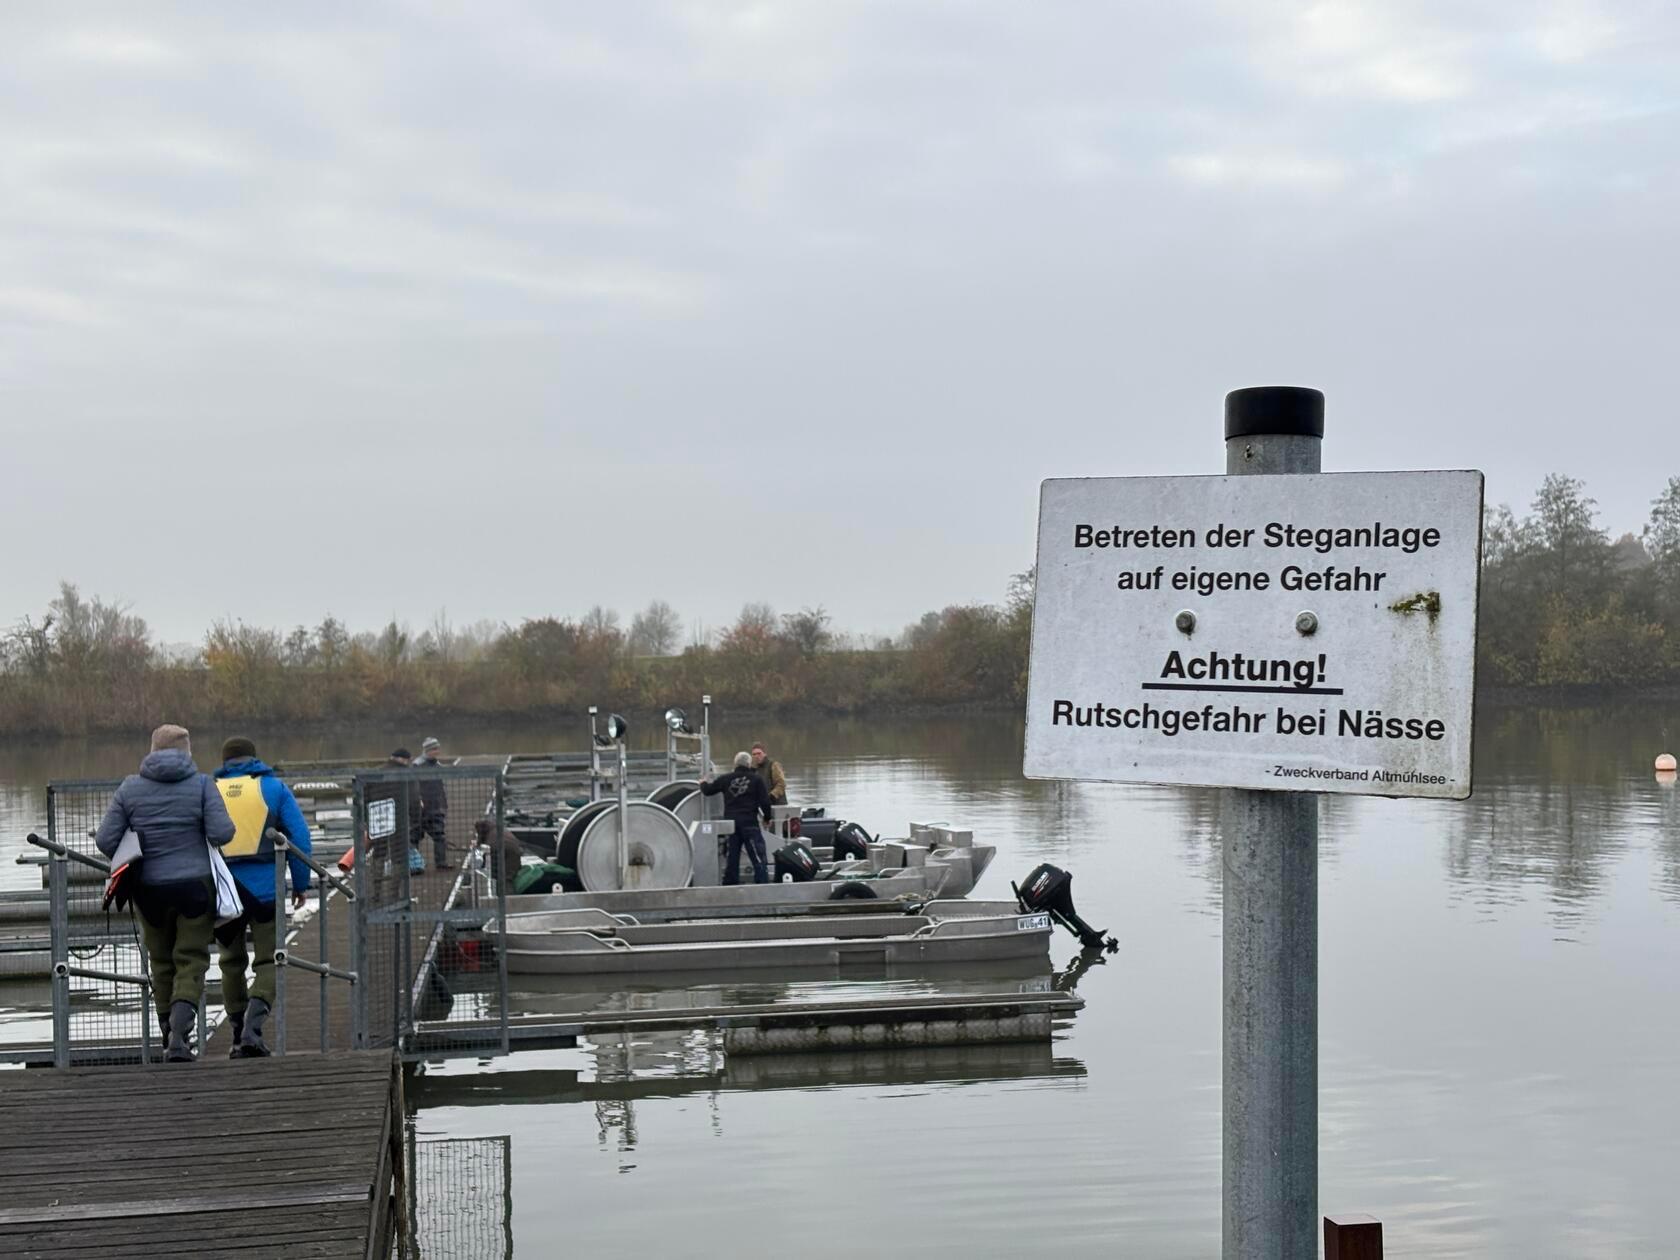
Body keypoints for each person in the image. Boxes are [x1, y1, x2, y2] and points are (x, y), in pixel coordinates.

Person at [94, 724, 235, 1062]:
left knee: (160, 962)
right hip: (194, 889)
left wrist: (138, 844)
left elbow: (104, 840)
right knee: (192, 959)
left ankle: (166, 1034)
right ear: (187, 751)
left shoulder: (130, 788)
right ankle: (180, 1038)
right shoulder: (202, 785)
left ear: (152, 751)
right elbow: (222, 832)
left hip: (149, 891)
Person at [212, 737, 313, 1058]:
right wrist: (300, 884)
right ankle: (254, 1029)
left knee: (230, 962)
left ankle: (236, 1033)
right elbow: (299, 838)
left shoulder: (208, 791)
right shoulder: (274, 788)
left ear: (225, 761)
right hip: (266, 891)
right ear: (254, 758)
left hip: (223, 892)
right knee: (270, 959)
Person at [699, 752, 775, 885]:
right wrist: (767, 818)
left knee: (732, 856)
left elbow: (708, 790)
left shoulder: (726, 779)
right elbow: (765, 802)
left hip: (731, 825)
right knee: (757, 856)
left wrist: (703, 782)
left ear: (735, 764)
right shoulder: (756, 780)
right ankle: (762, 883)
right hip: (749, 823)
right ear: (749, 764)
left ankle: (730, 883)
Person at [416, 736, 450, 870]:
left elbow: (441, 787)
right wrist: (417, 800)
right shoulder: (417, 765)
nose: (437, 751)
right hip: (420, 807)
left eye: (437, 748)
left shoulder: (438, 766)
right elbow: (412, 785)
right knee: (414, 837)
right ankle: (414, 865)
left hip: (435, 806)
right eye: (434, 749)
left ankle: (441, 863)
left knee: (439, 836)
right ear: (427, 750)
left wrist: (443, 804)